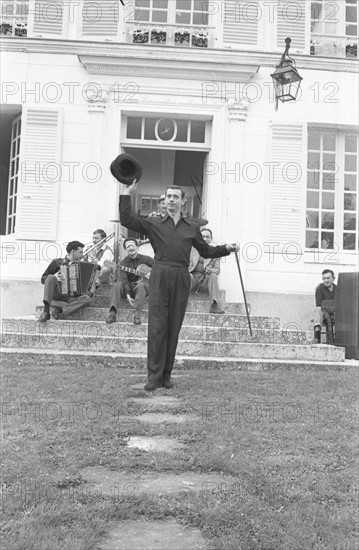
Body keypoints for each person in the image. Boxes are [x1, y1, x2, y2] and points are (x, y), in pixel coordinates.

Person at [119, 182, 239, 391]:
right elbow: (127, 220)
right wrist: (126, 194)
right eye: (169, 196)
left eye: (176, 196)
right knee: (157, 326)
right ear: (165, 200)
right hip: (160, 273)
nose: (172, 200)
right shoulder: (154, 222)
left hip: (181, 275)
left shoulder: (191, 226)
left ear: (183, 201)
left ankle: (166, 375)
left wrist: (226, 248)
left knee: (174, 326)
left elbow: (206, 250)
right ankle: (154, 376)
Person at [38, 241, 92, 322]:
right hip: (58, 294)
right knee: (50, 277)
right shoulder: (57, 262)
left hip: (71, 297)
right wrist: (55, 277)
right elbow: (43, 279)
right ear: (73, 251)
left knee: (87, 299)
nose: (82, 254)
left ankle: (60, 311)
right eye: (80, 252)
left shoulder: (82, 265)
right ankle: (46, 312)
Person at [106, 238, 154, 325]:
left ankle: (137, 314)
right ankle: (112, 313)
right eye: (128, 246)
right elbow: (124, 280)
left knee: (141, 285)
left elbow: (159, 267)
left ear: (137, 247)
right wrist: (127, 294)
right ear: (125, 249)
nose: (131, 248)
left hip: (144, 286)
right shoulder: (122, 264)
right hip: (130, 287)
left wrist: (152, 273)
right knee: (116, 285)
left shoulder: (146, 259)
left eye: (132, 245)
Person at [190, 228, 225, 314]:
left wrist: (211, 270)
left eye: (207, 237)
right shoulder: (189, 250)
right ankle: (179, 303)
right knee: (184, 274)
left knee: (213, 275)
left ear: (211, 239)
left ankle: (215, 305)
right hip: (191, 279)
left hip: (205, 280)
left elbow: (217, 270)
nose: (205, 239)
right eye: (203, 237)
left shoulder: (215, 252)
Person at [313, 269, 337, 344]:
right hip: (324, 314)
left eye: (328, 278)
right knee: (318, 309)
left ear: (333, 278)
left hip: (336, 314)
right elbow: (320, 305)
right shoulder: (320, 288)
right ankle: (317, 334)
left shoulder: (338, 289)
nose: (326, 280)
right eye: (324, 278)